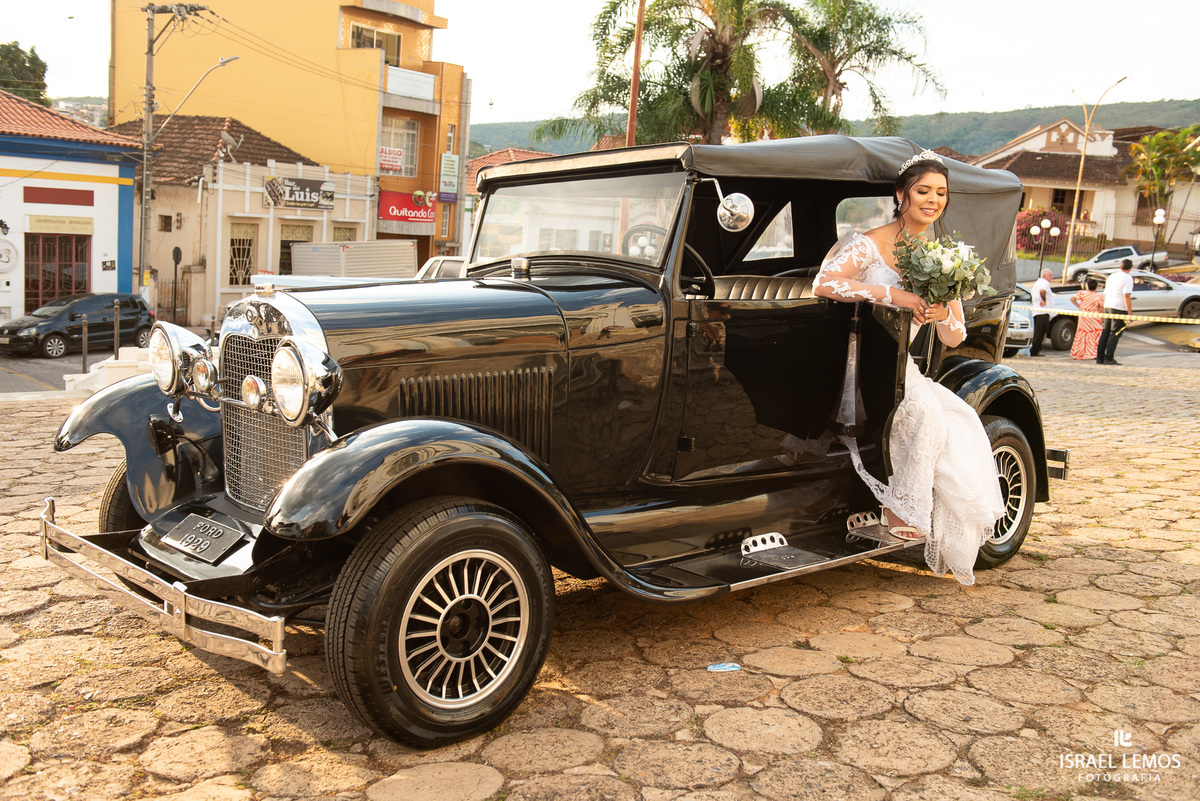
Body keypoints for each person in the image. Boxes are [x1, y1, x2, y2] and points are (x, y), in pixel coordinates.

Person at [812, 150, 1005, 586]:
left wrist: (942, 315)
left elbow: (955, 336)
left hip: (900, 366)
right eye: (923, 191)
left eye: (940, 192)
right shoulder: (870, 242)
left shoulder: (943, 257)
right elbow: (825, 282)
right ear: (902, 194)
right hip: (856, 359)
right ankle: (901, 511)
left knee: (962, 419)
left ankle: (913, 515)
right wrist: (893, 295)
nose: (932, 199)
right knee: (926, 414)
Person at [1095, 258, 1134, 365]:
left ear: (1120, 266)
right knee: (1114, 333)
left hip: (1108, 306)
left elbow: (1106, 292)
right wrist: (1130, 313)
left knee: (1105, 332)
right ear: (1130, 268)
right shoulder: (1128, 278)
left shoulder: (1112, 276)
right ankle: (1109, 358)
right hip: (1119, 308)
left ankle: (1100, 357)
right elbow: (1126, 296)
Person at [1069, 277, 1103, 360]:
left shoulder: (1082, 293)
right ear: (1096, 287)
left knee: (1082, 333)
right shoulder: (1099, 296)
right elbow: (1101, 307)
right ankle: (1092, 353)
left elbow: (1072, 299)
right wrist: (1101, 317)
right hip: (1094, 316)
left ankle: (1079, 353)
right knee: (1095, 332)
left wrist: (1080, 306)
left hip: (1083, 315)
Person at [1029, 268, 1056, 356]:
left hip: (1037, 310)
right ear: (1045, 276)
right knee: (1040, 331)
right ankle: (1035, 349)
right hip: (1042, 311)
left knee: (1039, 331)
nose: (1051, 278)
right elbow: (1042, 291)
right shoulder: (1044, 283)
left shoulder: (1037, 283)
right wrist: (1044, 300)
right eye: (1050, 276)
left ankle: (1036, 349)